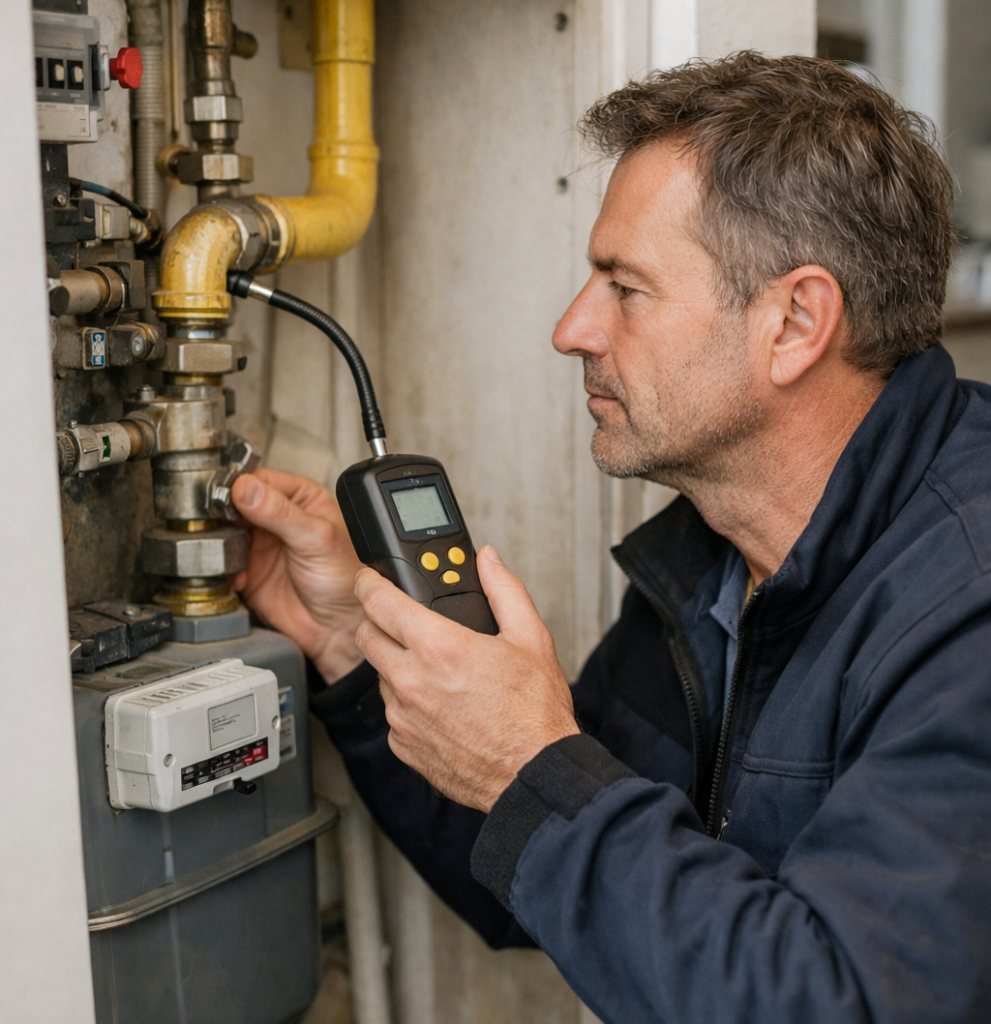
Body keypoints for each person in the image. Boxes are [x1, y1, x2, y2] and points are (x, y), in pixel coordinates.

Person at [231, 52, 991, 1024]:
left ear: (795, 321)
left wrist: (532, 765)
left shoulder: (965, 603)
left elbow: (840, 1004)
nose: (571, 329)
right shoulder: (714, 557)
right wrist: (350, 646)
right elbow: (548, 884)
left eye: (624, 288)